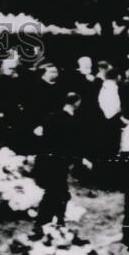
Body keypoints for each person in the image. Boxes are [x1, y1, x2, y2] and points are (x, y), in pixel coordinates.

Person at [33, 92, 82, 237]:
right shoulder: (72, 121)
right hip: (58, 161)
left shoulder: (51, 116)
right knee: (57, 193)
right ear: (76, 103)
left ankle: (54, 220)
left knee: (57, 192)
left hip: (45, 159)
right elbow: (71, 144)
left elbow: (38, 133)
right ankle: (45, 222)